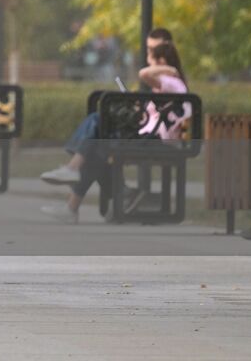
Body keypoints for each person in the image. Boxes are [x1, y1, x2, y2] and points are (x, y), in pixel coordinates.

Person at [40, 28, 191, 224]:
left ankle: (79, 185)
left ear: (162, 59)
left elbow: (143, 73)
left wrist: (168, 69)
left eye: (151, 53)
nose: (148, 57)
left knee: (98, 125)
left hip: (156, 140)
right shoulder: (169, 82)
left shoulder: (169, 80)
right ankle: (98, 195)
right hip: (150, 136)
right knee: (99, 139)